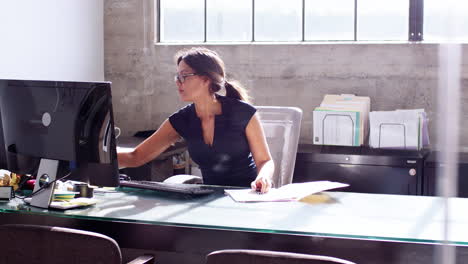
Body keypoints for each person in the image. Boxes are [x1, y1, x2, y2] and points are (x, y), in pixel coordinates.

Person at [118, 47, 274, 193]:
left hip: (249, 196)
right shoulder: (182, 119)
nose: (178, 82)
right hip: (210, 200)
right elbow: (136, 156)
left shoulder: (243, 112)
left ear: (206, 79)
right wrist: (97, 159)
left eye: (184, 76)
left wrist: (263, 177)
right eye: (177, 76)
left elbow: (265, 161)